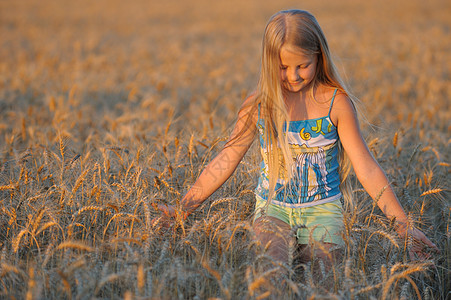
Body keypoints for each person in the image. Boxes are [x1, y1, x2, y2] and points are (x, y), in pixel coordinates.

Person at [154, 9, 438, 270]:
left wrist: (403, 225)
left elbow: (366, 166)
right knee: (269, 274)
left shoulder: (336, 104)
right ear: (268, 63)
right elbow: (226, 159)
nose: (292, 76)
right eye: (282, 67)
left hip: (323, 210)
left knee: (325, 282)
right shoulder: (259, 105)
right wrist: (184, 207)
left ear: (318, 56)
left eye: (302, 65)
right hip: (272, 208)